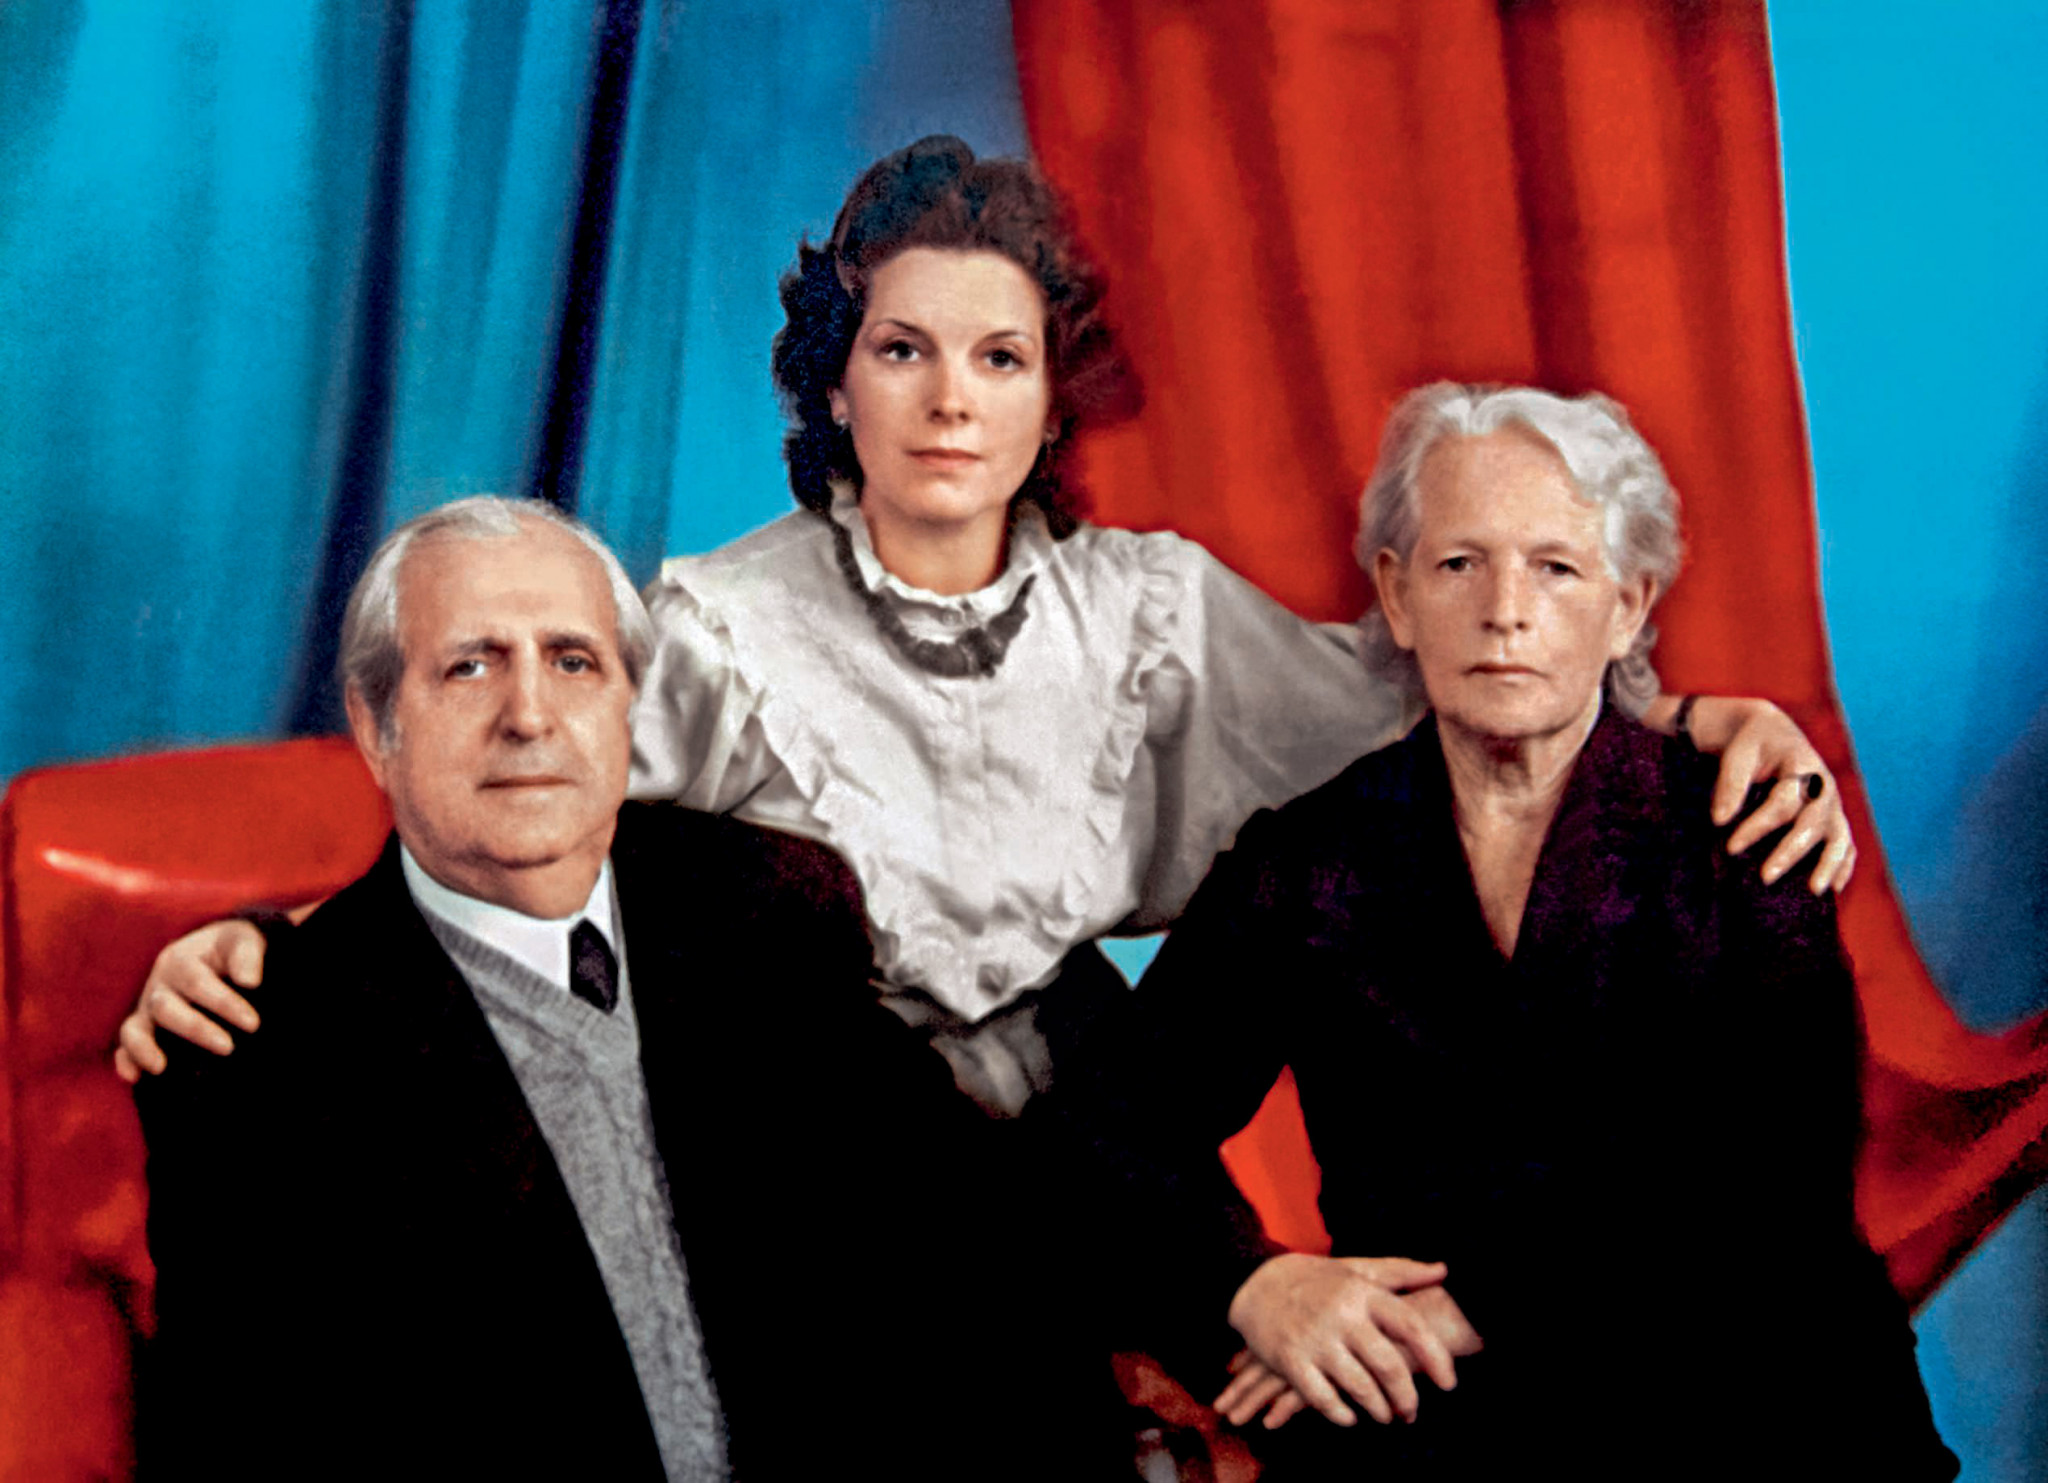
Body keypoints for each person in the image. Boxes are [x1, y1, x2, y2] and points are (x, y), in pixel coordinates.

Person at [119, 136, 1852, 1107]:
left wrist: (1700, 720)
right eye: (904, 351)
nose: (952, 400)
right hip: (812, 1127)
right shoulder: (719, 625)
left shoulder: (1151, 614)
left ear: (1046, 398)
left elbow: (1448, 689)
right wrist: (272, 945)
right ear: (837, 384)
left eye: (1000, 358)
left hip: (1082, 1108)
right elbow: (516, 814)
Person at [1068, 384, 1956, 1479]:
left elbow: (1775, 1186)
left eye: (1555, 567)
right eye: (1458, 564)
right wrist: (1256, 1284)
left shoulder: (1743, 827)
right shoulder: (1306, 861)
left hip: (1753, 1405)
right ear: (1396, 596)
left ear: (1626, 606)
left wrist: (1470, 1306)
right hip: (1434, 1421)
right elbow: (1104, 1128)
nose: (1504, 610)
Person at [134, 497, 1082, 1480]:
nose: (529, 715)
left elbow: (979, 1239)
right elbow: (240, 1443)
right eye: (470, 666)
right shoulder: (251, 1051)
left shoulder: (767, 907)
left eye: (573, 661)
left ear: (628, 703)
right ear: (378, 726)